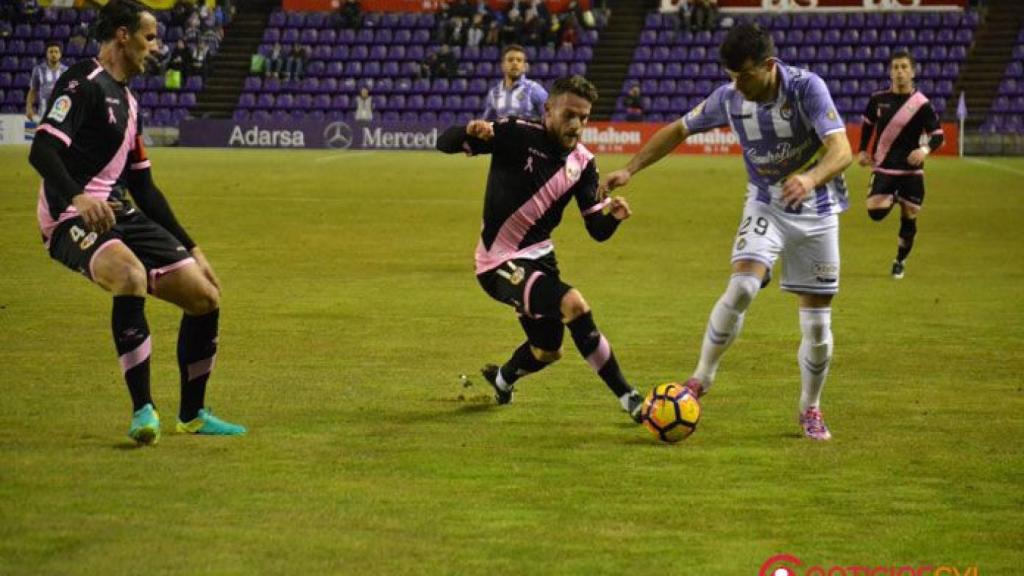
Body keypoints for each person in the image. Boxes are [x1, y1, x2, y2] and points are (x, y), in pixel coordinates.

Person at [602, 23, 852, 440]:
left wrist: (810, 180)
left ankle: (810, 407)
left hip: (817, 212)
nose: (736, 85)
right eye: (731, 76)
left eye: (744, 75)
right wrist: (630, 168)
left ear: (769, 66)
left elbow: (841, 150)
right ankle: (700, 379)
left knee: (817, 327)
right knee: (741, 289)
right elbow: (679, 129)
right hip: (765, 204)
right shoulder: (729, 99)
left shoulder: (807, 88)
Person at [27, 0, 246, 445]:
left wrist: (194, 247)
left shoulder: (128, 100)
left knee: (205, 297)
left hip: (119, 210)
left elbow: (144, 188)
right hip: (70, 215)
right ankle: (143, 410)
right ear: (123, 35)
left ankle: (193, 414)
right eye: (149, 37)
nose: (155, 47)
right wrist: (78, 196)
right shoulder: (81, 82)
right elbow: (42, 151)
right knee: (129, 275)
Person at [436, 76, 645, 423]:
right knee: (573, 304)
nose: (577, 125)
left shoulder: (585, 165)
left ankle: (502, 379)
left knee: (549, 350)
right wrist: (468, 133)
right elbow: (444, 143)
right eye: (569, 115)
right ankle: (629, 397)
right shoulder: (515, 133)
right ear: (549, 110)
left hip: (541, 259)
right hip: (497, 262)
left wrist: (615, 218)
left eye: (584, 117)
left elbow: (596, 230)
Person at [858, 49, 943, 279]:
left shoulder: (921, 104)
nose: (899, 72)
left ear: (913, 72)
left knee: (909, 218)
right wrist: (863, 150)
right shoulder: (878, 99)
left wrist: (924, 150)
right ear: (889, 72)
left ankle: (900, 260)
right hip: (884, 166)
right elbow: (867, 124)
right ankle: (894, 196)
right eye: (895, 67)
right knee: (875, 212)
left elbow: (938, 135)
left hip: (911, 171)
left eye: (904, 67)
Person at [482, 44, 548, 121]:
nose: (515, 63)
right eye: (510, 60)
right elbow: (487, 122)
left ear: (525, 67)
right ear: (502, 66)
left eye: (519, 60)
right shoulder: (494, 93)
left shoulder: (535, 90)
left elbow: (549, 118)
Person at [26, 40, 68, 121]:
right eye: (51, 52)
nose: (53, 54)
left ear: (60, 54)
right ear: (47, 54)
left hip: (61, 110)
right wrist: (29, 107)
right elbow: (33, 90)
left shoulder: (66, 71)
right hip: (43, 111)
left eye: (56, 52)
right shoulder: (38, 70)